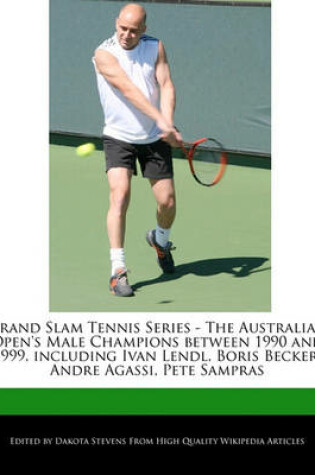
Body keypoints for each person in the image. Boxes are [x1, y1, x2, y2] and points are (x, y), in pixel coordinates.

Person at [93, 3, 182, 297]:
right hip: (118, 137)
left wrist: (167, 120)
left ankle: (160, 240)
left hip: (154, 138)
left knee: (167, 202)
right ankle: (117, 269)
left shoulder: (155, 47)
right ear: (115, 22)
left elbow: (166, 84)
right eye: (123, 28)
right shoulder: (103, 54)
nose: (127, 35)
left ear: (144, 29)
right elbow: (130, 91)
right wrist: (161, 120)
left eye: (134, 30)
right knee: (120, 195)